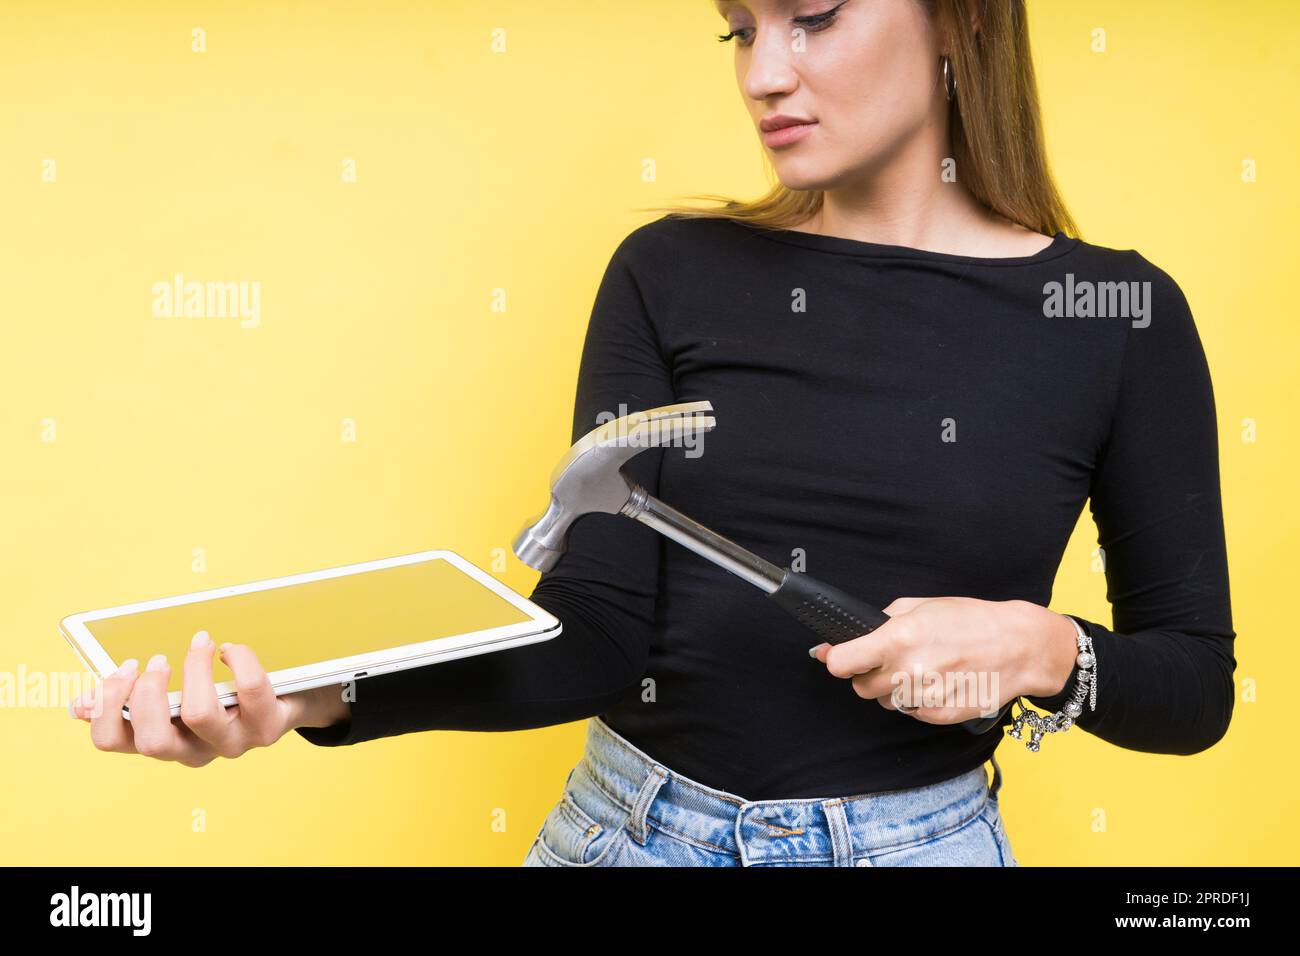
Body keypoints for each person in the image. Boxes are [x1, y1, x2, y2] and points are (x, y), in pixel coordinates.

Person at [71, 0, 1235, 867]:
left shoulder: (1115, 314)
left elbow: (1191, 684)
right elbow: (596, 635)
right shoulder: (670, 273)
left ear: (958, 21)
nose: (763, 73)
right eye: (738, 29)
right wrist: (318, 694)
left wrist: (1041, 651)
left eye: (813, 17)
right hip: (629, 834)